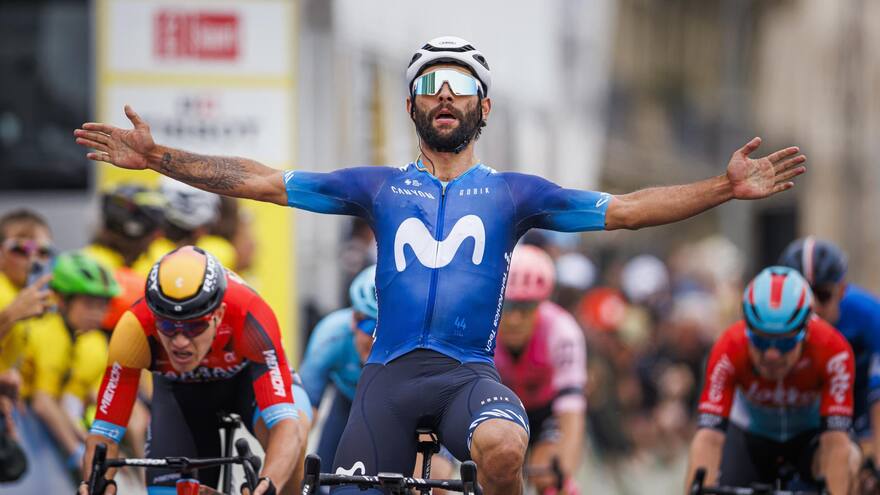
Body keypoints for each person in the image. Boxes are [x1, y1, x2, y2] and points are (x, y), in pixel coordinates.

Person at [75, 35, 806, 495]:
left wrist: (724, 186)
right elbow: (262, 180)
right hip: (386, 378)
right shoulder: (378, 186)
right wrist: (161, 157)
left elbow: (627, 208)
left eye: (458, 86)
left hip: (466, 375)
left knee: (502, 446)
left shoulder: (517, 193)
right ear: (412, 106)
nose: (444, 95)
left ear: (484, 105)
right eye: (430, 85)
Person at [77, 246, 311, 495]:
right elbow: (104, 433)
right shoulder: (134, 328)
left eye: (194, 326)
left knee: (295, 437)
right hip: (180, 393)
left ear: (218, 315)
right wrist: (93, 484)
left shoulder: (250, 314)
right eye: (167, 325)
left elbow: (285, 426)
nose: (179, 341)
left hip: (247, 382)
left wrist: (268, 485)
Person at [684, 266, 859, 495]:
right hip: (750, 439)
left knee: (850, 459)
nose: (771, 355)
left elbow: (835, 442)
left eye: (785, 343)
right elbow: (709, 438)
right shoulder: (728, 347)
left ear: (805, 332)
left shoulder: (833, 351)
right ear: (747, 330)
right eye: (761, 341)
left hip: (809, 440)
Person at [778, 237, 880, 484]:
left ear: (842, 290)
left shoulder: (868, 315)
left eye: (822, 295)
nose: (812, 306)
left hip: (859, 404)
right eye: (800, 295)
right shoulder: (774, 316)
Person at [494, 245, 586, 495]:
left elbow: (572, 411)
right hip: (503, 408)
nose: (514, 320)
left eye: (525, 309)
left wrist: (563, 473)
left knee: (549, 476)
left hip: (546, 412)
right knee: (498, 472)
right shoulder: (483, 329)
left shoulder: (563, 331)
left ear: (541, 305)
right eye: (508, 307)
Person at [19, 251, 119, 474]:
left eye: (103, 305)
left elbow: (63, 403)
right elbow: (42, 402)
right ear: (61, 300)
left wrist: (86, 441)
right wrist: (77, 452)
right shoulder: (49, 334)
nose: (97, 313)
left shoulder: (73, 336)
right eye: (89, 304)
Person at [300, 265, 379, 475]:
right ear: (354, 320)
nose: (373, 338)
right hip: (347, 401)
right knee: (319, 476)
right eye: (369, 327)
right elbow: (306, 410)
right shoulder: (331, 336)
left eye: (382, 328)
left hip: (399, 409)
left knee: (431, 479)